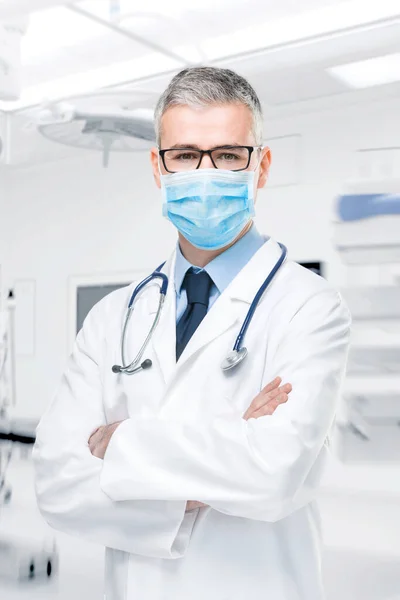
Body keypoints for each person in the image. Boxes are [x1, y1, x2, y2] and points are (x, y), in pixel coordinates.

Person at [33, 67, 351, 600]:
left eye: (227, 155)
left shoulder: (310, 307)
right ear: (158, 168)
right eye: (184, 155)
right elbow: (56, 483)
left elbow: (272, 475)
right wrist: (227, 448)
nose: (206, 174)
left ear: (261, 166)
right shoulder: (115, 316)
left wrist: (121, 445)